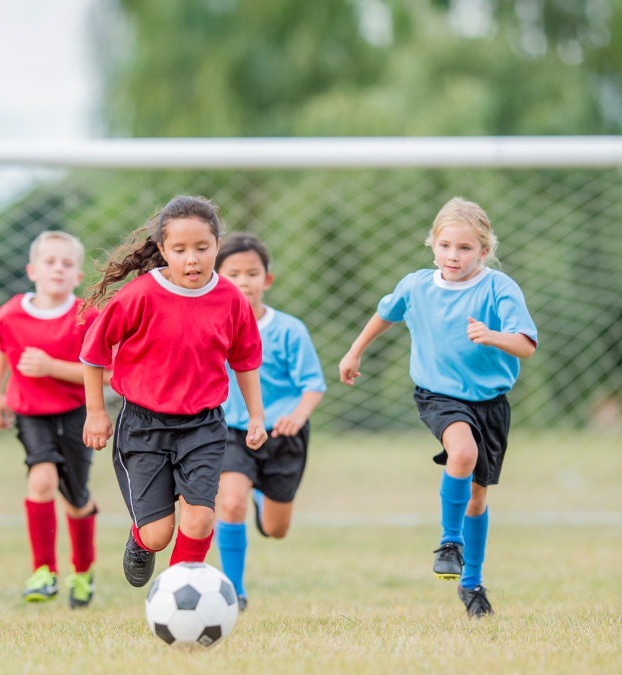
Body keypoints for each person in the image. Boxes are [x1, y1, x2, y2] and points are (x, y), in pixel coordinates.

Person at [338, 197, 537, 618]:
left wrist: (492, 335)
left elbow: (525, 344)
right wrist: (355, 351)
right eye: (445, 245)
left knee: (477, 498)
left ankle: (472, 584)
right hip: (439, 396)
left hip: (490, 403)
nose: (453, 255)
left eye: (465, 248)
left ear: (484, 251)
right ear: (432, 244)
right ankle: (450, 543)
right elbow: (385, 313)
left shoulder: (499, 288)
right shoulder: (416, 285)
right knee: (462, 453)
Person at [79, 195, 267, 588]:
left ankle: (176, 593)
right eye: (179, 250)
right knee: (158, 535)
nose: (192, 259)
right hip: (143, 425)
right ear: (163, 250)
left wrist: (256, 415)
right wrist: (95, 413)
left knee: (200, 519)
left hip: (204, 424)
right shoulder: (139, 296)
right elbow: (93, 353)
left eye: (202, 248)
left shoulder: (231, 299)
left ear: (218, 245)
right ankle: (139, 541)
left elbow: (245, 360)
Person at [0, 230, 100, 608]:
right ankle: (44, 571)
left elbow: (106, 373)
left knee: (76, 499)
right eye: (50, 262)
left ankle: (83, 572)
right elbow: (2, 350)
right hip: (30, 412)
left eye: (67, 264)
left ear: (78, 276)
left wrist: (52, 367)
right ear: (32, 270)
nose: (58, 269)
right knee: (41, 480)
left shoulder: (88, 315)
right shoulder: (11, 313)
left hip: (77, 414)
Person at [213, 233, 326, 610]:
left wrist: (297, 416)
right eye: (233, 273)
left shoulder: (290, 330)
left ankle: (263, 495)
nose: (243, 281)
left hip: (281, 434)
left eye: (252, 273)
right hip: (231, 431)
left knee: (276, 531)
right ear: (217, 278)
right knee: (230, 503)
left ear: (267, 280)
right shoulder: (211, 327)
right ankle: (234, 591)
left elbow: (312, 384)